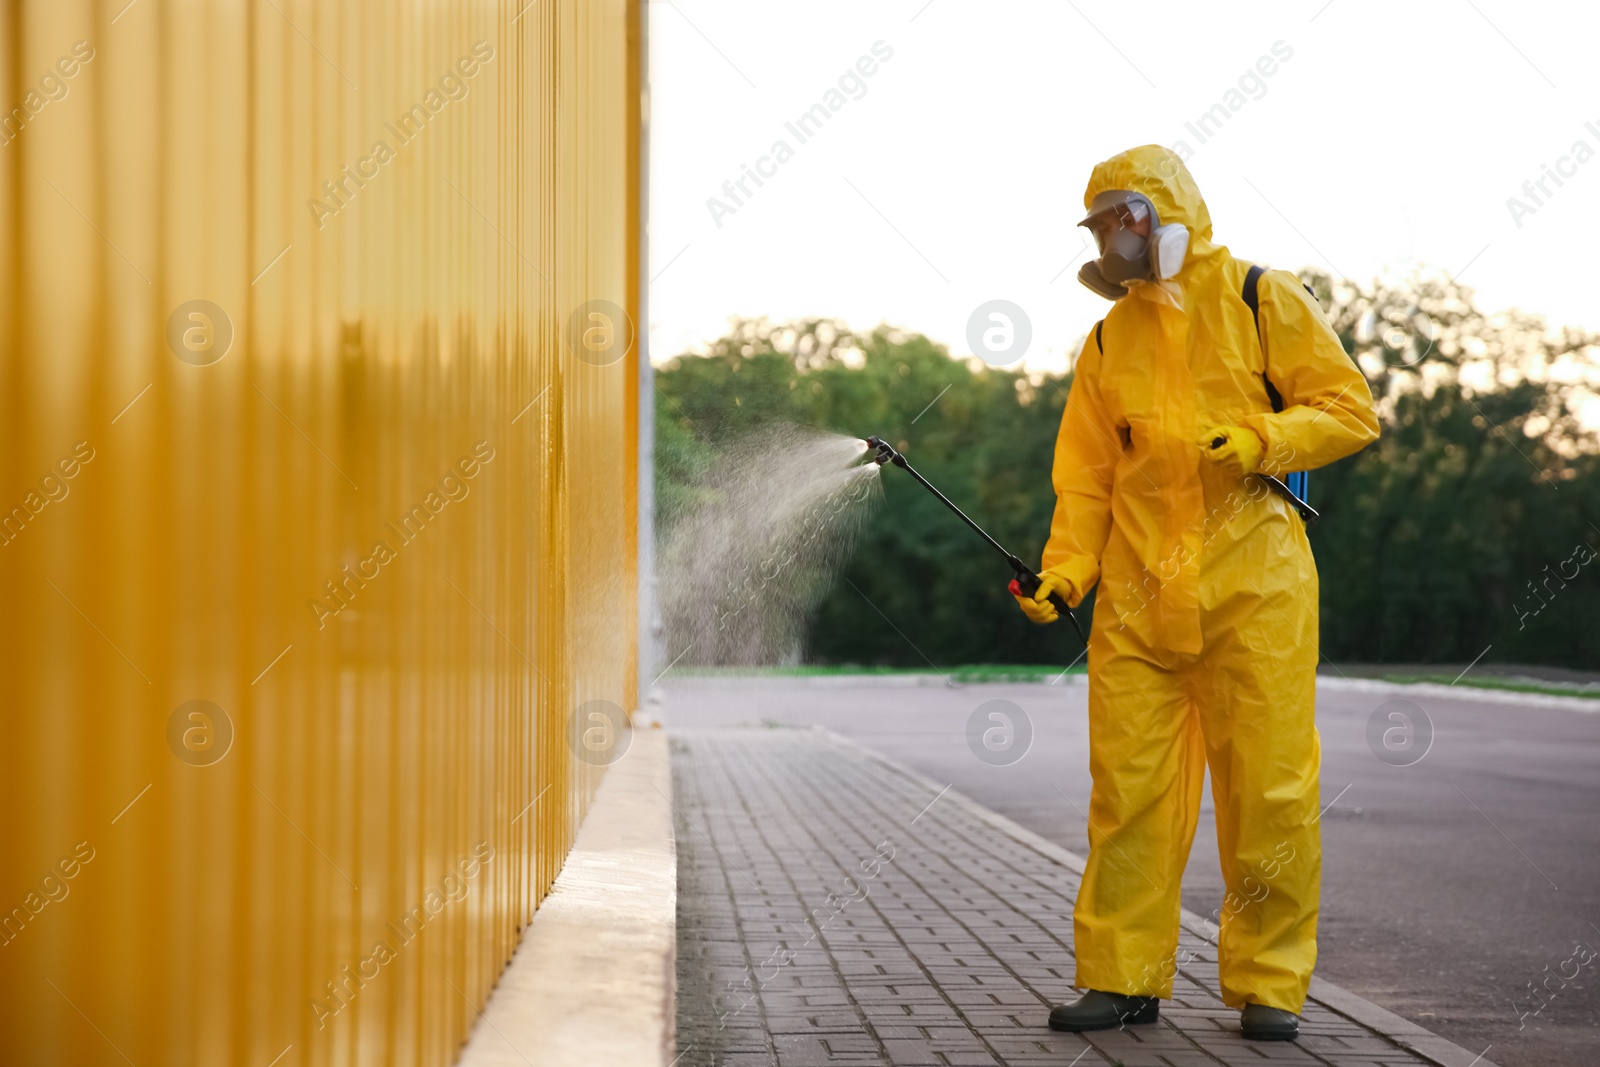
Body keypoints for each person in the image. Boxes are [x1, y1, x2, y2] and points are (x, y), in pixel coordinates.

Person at [1014, 145, 1379, 1042]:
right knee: (1127, 796)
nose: (1109, 237)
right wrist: (1067, 571)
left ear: (1159, 213)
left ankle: (1269, 983)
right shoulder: (1107, 339)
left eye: (1118, 217)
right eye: (1099, 223)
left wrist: (1260, 438)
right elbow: (1088, 482)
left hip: (1257, 596)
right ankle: (1120, 977)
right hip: (1136, 607)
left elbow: (1348, 410)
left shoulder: (1262, 296)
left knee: (1271, 794)